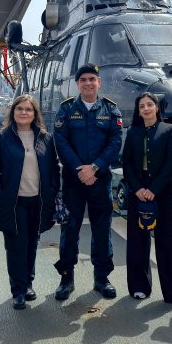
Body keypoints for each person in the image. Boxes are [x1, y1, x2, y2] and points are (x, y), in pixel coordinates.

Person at [53, 64, 123, 300]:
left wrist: (94, 168)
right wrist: (79, 169)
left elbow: (115, 142)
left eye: (92, 79)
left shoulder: (111, 111)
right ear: (77, 84)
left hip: (100, 179)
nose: (88, 83)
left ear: (99, 82)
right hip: (73, 179)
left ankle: (102, 279)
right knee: (69, 228)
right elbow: (60, 141)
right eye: (83, 79)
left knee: (102, 229)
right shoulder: (66, 109)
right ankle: (66, 278)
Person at [0, 94, 60, 310]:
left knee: (31, 244)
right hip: (13, 201)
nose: (24, 112)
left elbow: (54, 167)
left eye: (28, 109)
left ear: (35, 114)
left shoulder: (46, 138)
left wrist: (52, 191)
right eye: (20, 109)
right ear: (13, 112)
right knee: (16, 246)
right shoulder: (1, 137)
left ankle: (28, 283)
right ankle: (17, 289)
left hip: (38, 200)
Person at [122, 93, 172, 306]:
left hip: (162, 192)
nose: (146, 109)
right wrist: (138, 189)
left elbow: (171, 164)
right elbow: (127, 164)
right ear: (138, 110)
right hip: (138, 193)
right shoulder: (132, 132)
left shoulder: (168, 131)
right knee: (137, 242)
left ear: (157, 108)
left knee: (168, 242)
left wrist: (153, 189)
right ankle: (139, 286)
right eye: (142, 106)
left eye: (150, 105)